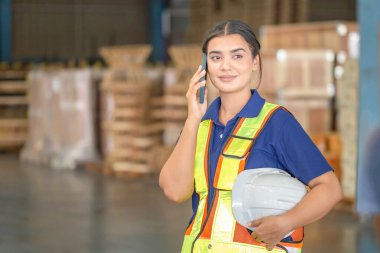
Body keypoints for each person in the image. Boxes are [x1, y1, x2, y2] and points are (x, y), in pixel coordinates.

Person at [159, 20, 343, 253]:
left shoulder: (276, 122)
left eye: (237, 56)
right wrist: (192, 119)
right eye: (216, 58)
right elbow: (175, 191)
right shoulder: (200, 125)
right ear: (205, 66)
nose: (226, 66)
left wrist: (286, 222)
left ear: (254, 62)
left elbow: (329, 188)